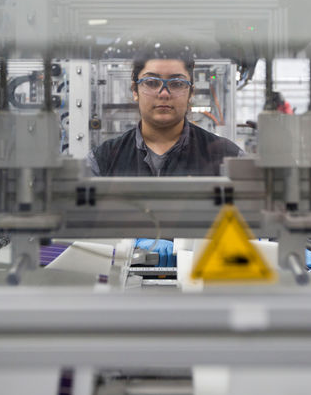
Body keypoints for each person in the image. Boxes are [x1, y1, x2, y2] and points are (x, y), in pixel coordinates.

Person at [87, 42, 243, 265]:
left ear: (191, 93)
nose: (164, 93)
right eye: (151, 82)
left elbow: (267, 222)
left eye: (177, 83)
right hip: (122, 288)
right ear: (134, 90)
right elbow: (77, 232)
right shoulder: (102, 160)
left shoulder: (227, 157)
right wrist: (132, 243)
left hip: (202, 287)